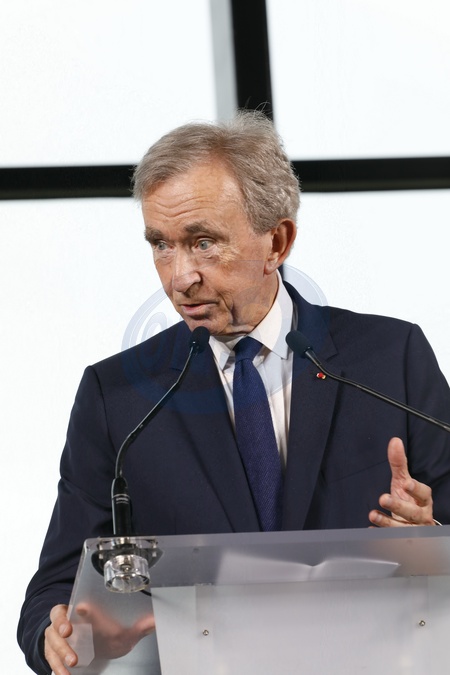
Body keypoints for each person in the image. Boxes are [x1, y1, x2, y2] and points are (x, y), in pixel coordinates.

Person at [18, 111, 450, 674]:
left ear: (277, 241)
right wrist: (64, 634)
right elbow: (53, 591)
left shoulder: (390, 359)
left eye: (203, 243)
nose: (179, 277)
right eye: (161, 245)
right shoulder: (118, 397)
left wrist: (430, 537)